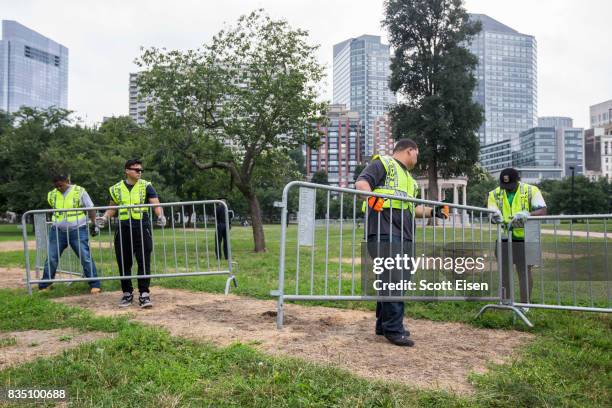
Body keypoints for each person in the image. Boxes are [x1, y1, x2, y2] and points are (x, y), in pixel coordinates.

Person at [355, 139, 448, 347]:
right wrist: (372, 201)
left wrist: (434, 211)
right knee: (394, 280)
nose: (417, 158)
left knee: (393, 280)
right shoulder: (383, 164)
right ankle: (394, 330)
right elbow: (361, 184)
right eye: (417, 154)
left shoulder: (409, 180)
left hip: (403, 235)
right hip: (384, 232)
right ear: (409, 150)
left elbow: (411, 209)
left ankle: (384, 325)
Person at [96, 159, 166, 308]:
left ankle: (144, 294)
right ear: (127, 171)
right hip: (123, 228)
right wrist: (104, 217)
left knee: (143, 260)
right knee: (124, 261)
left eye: (141, 170)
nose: (139, 172)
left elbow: (156, 204)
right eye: (136, 170)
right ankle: (127, 293)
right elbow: (112, 208)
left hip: (142, 227)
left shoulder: (146, 186)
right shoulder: (116, 188)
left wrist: (160, 215)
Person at [488, 168, 547, 307]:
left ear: (518, 181)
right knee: (504, 272)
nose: (507, 189)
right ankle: (506, 302)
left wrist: (528, 214)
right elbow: (490, 213)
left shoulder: (531, 190)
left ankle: (524, 305)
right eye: (505, 186)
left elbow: (543, 210)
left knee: (524, 270)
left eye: (511, 186)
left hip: (525, 238)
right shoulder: (494, 193)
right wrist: (493, 217)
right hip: (503, 238)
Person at [39, 174, 101, 293]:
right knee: (51, 258)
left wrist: (94, 224)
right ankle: (45, 285)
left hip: (77, 229)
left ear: (67, 181)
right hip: (57, 230)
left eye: (60, 185)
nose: (58, 188)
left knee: (85, 257)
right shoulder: (51, 194)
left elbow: (90, 208)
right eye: (56, 186)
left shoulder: (79, 191)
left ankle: (95, 284)